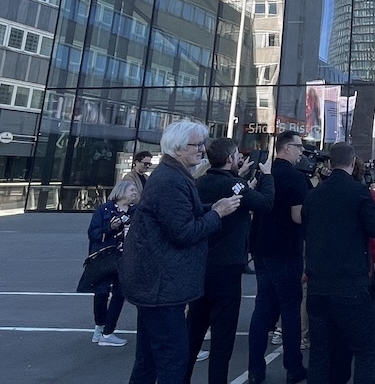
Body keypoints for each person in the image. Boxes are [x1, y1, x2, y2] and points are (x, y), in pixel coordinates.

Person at [118, 121, 242, 384]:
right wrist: (217, 214)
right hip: (161, 287)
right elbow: (184, 231)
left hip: (156, 284)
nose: (202, 150)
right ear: (177, 148)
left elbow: (180, 214)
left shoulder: (173, 175)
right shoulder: (170, 180)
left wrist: (211, 208)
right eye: (196, 145)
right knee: (172, 359)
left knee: (149, 360)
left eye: (202, 144)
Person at [185, 138, 274, 384]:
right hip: (228, 268)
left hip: (201, 265)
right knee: (223, 336)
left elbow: (234, 190)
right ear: (229, 159)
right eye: (237, 156)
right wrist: (267, 177)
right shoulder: (235, 185)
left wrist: (241, 179)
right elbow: (265, 203)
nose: (240, 159)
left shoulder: (199, 183)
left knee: (193, 330)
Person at [303, 142, 375, 384]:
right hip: (351, 282)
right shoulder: (358, 192)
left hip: (319, 283)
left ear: (330, 163)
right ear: (352, 162)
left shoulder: (314, 195)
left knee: (320, 353)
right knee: (364, 349)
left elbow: (306, 229)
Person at [247, 131, 311, 384]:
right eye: (299, 147)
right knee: (290, 309)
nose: (301, 152)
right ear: (287, 148)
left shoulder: (266, 174)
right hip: (285, 249)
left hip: (261, 247)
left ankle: (255, 369)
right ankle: (293, 367)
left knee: (263, 308)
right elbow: (297, 216)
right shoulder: (296, 178)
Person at [86, 178, 138, 348]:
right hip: (105, 257)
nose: (135, 193)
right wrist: (110, 228)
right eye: (132, 190)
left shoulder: (136, 211)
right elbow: (93, 234)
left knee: (120, 293)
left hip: (125, 258)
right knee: (101, 293)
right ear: (121, 192)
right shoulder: (104, 210)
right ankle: (99, 327)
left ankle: (108, 330)